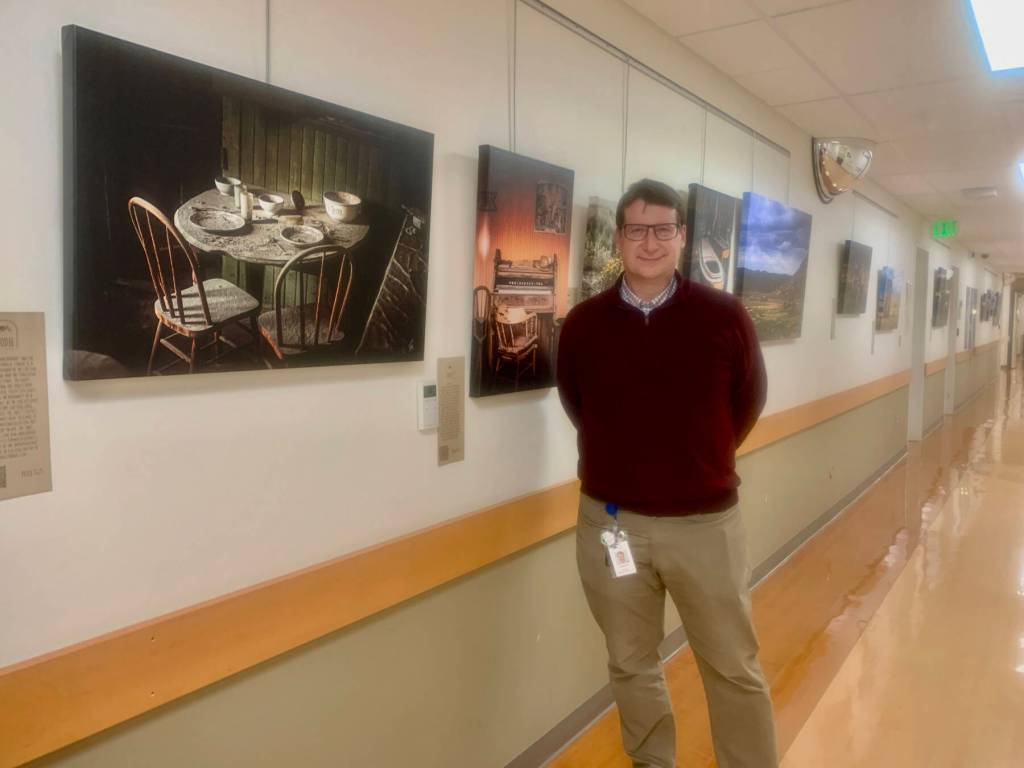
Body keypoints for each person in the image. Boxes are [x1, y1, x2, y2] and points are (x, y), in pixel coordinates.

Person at [556, 179, 777, 768]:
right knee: (630, 662)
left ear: (681, 237)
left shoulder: (723, 316)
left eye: (662, 230)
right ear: (619, 238)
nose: (649, 242)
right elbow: (578, 405)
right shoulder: (583, 325)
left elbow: (747, 403)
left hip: (706, 526)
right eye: (636, 230)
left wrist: (699, 459)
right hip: (611, 524)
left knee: (732, 664)